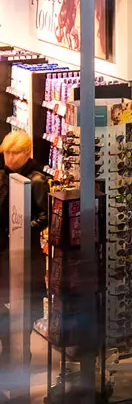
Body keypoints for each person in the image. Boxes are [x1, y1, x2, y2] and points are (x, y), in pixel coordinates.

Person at [0, 131, 47, 323]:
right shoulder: (3, 177)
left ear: (27, 153)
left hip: (25, 253)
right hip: (4, 251)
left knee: (25, 309)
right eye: (7, 152)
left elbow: (44, 217)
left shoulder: (37, 181)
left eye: (15, 153)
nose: (10, 158)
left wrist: (20, 231)